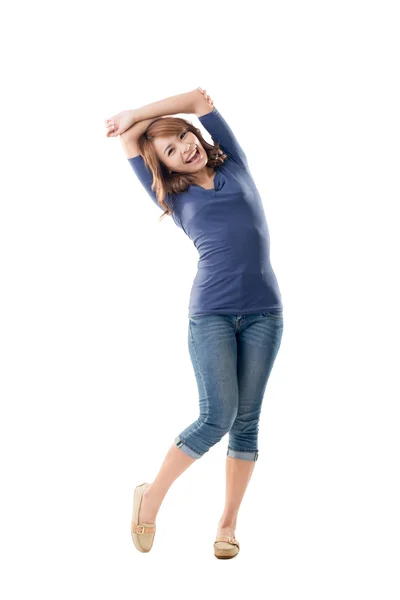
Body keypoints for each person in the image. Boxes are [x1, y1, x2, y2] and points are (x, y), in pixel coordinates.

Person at [104, 87, 284, 559]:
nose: (185, 146)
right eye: (170, 150)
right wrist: (139, 125)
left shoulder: (234, 165)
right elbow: (129, 142)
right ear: (162, 167)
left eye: (184, 135)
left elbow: (200, 99)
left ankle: (227, 524)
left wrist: (146, 113)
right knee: (215, 418)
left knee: (247, 424)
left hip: (267, 313)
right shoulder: (170, 196)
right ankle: (151, 496)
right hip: (211, 316)